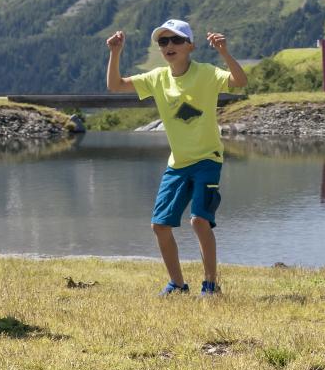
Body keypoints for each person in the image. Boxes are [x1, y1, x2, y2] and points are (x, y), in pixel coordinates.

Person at [105, 20, 246, 295]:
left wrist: (224, 52)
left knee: (199, 221)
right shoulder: (157, 78)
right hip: (178, 164)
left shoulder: (205, 73)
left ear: (190, 46)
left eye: (176, 40)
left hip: (207, 159)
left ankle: (210, 284)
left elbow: (239, 82)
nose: (169, 45)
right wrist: (115, 53)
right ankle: (178, 284)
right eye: (163, 41)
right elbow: (115, 86)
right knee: (160, 225)